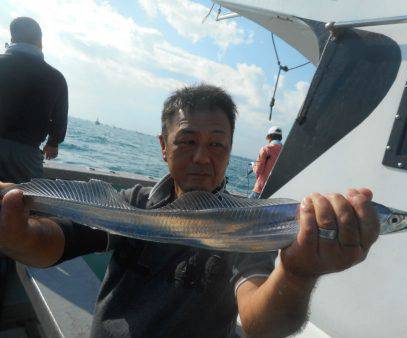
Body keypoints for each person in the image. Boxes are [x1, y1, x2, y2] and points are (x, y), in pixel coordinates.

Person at [0, 84, 380, 338]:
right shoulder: (133, 204)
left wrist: (297, 274)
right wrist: (16, 234)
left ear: (230, 151)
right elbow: (51, 243)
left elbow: (260, 321)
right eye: (187, 141)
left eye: (217, 144)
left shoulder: (246, 227)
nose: (202, 157)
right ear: (163, 146)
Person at [0, 17, 68, 183]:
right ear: (40, 41)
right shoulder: (56, 78)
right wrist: (53, 142)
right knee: (21, 203)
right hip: (26, 156)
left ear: (12, 39)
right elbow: (60, 118)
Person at [249, 126, 283, 199]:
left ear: (269, 137)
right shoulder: (285, 151)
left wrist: (253, 166)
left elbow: (258, 170)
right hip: (275, 192)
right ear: (280, 137)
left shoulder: (266, 149)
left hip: (260, 190)